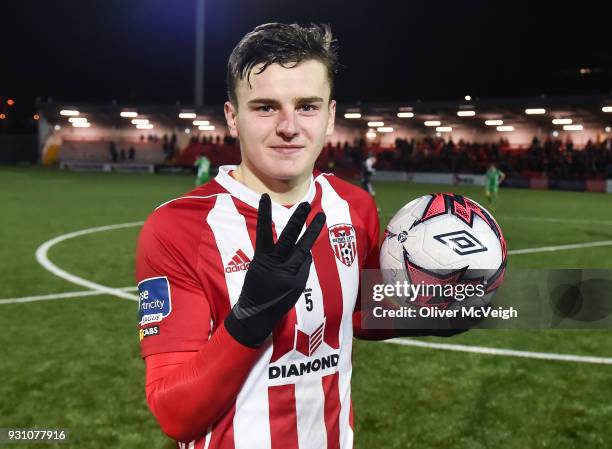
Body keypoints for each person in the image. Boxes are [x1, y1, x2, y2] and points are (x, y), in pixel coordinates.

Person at [136, 23, 461, 449]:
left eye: (307, 106)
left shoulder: (354, 206)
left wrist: (436, 306)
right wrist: (249, 319)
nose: (289, 127)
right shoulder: (178, 229)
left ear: (330, 116)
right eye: (266, 107)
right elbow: (175, 413)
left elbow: (359, 315)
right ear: (232, 118)